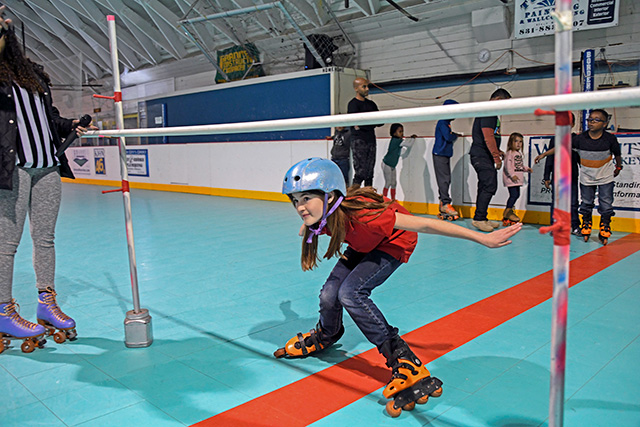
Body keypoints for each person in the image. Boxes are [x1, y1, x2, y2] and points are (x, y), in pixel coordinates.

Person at [275, 157, 521, 416]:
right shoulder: (323, 214)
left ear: (330, 195)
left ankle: (404, 360)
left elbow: (426, 224)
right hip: (364, 243)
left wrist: (481, 237)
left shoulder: (366, 215)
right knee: (329, 295)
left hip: (394, 242)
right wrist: (307, 222)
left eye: (306, 199)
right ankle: (327, 334)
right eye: (295, 201)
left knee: (351, 293)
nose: (300, 207)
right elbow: (313, 219)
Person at [0, 12, 93, 353]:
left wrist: (70, 124)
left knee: (45, 239)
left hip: (48, 167)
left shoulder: (32, 74)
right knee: (7, 243)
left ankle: (45, 302)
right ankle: (3, 309)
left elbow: (47, 119)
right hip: (15, 168)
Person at [573, 109, 622, 245]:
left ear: (605, 124)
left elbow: (617, 154)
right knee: (586, 202)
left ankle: (605, 225)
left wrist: (618, 167)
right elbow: (566, 149)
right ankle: (587, 223)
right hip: (586, 177)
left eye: (596, 120)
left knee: (606, 203)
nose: (591, 122)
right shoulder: (580, 139)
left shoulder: (610, 139)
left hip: (605, 176)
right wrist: (544, 154)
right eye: (590, 119)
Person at [470, 88, 512, 232]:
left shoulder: (488, 113)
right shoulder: (489, 112)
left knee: (484, 186)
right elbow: (488, 137)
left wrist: (497, 151)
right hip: (481, 156)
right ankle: (479, 219)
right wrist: (495, 157)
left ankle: (481, 217)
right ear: (498, 100)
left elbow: (488, 137)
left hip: (483, 154)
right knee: (489, 185)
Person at [534, 112, 581, 235]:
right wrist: (546, 176)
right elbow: (550, 159)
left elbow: (581, 159)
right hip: (557, 175)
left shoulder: (576, 139)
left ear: (573, 124)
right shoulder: (554, 139)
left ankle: (575, 225)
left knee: (573, 202)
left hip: (572, 175)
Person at [347, 77, 382, 188]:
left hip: (370, 139)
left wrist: (366, 125)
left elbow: (380, 121)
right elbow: (356, 124)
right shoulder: (353, 104)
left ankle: (368, 199)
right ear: (356, 89)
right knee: (360, 173)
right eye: (364, 86)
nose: (367, 89)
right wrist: (369, 124)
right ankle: (352, 199)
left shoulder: (371, 104)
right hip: (359, 140)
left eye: (367, 86)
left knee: (369, 173)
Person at [433, 99, 463, 220]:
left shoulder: (446, 123)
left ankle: (443, 203)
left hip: (444, 154)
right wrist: (455, 135)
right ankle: (445, 203)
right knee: (444, 179)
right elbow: (448, 137)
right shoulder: (443, 122)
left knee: (446, 179)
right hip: (440, 154)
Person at [501, 133, 532, 225]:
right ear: (511, 142)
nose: (518, 144)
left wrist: (526, 169)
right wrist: (512, 175)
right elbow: (507, 166)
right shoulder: (509, 153)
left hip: (517, 179)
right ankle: (507, 211)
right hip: (511, 179)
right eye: (516, 141)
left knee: (516, 195)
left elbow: (519, 166)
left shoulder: (518, 154)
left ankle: (509, 211)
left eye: (521, 142)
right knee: (514, 195)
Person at [381, 123, 415, 200]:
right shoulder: (397, 141)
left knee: (394, 183)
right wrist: (412, 138)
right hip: (387, 164)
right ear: (394, 133)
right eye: (400, 131)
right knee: (388, 182)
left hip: (392, 165)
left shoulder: (398, 140)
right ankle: (384, 199)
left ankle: (393, 199)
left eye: (402, 131)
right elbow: (409, 145)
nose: (402, 133)